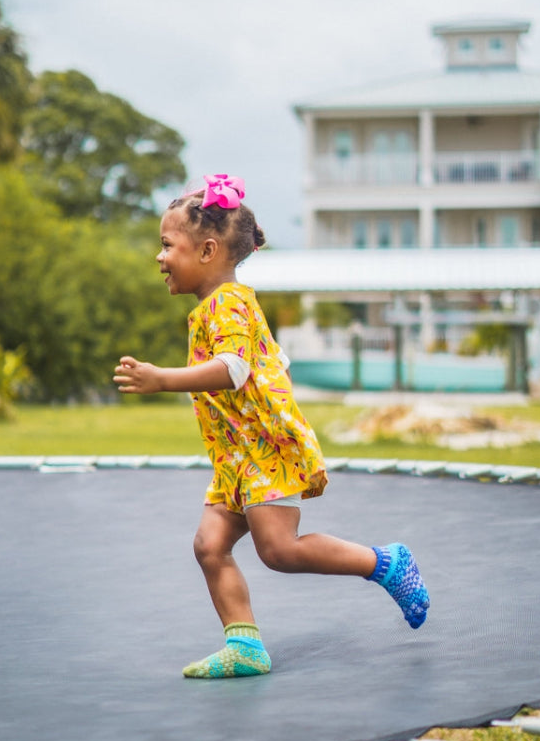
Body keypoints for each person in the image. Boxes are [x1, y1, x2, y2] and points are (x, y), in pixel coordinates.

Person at [113, 174, 429, 679]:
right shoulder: (218, 307)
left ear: (208, 250)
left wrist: (162, 379)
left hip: (263, 452)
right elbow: (270, 360)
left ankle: (385, 563)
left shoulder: (228, 303)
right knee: (209, 545)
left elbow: (234, 368)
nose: (159, 256)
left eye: (168, 245)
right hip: (237, 457)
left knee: (279, 550)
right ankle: (245, 645)